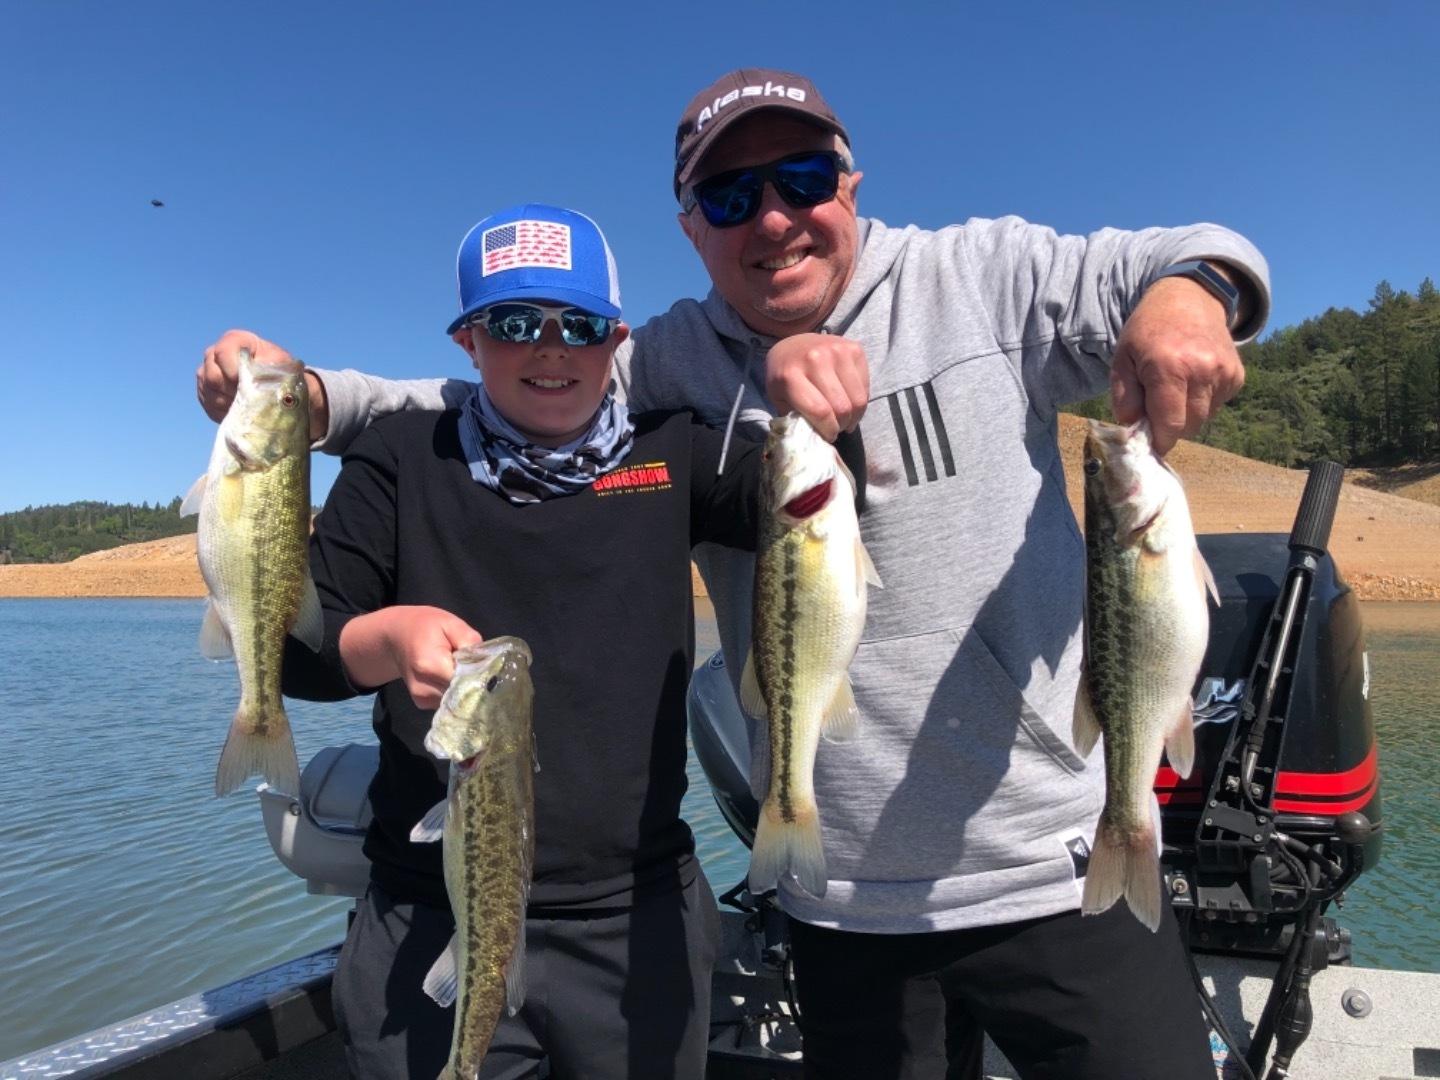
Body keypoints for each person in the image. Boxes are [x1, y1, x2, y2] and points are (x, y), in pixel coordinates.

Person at [200, 70, 1272, 1080]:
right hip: (836, 891)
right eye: (729, 195)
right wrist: (295, 393)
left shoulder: (984, 276)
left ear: (850, 185)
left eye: (803, 180)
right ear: (691, 229)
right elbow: (476, 398)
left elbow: (1182, 253)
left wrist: (1186, 300)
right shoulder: (666, 360)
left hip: (1052, 864)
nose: (771, 217)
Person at [272, 202, 794, 1080]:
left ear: (614, 338)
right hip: (429, 912)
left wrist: (806, 375)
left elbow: (818, 500)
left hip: (639, 920)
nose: (551, 349)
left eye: (579, 326)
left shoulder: (674, 455)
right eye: (515, 323)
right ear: (468, 341)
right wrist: (390, 638)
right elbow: (297, 654)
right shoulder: (402, 459)